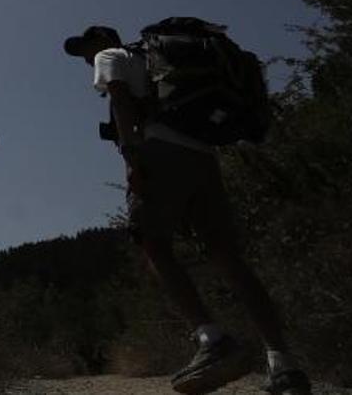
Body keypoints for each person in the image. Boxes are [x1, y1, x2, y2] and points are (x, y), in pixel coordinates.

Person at [64, 25, 311, 395]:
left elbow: (120, 101)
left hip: (159, 153)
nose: (85, 57)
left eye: (86, 47)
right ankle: (284, 365)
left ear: (103, 39)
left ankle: (212, 340)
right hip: (203, 158)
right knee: (229, 258)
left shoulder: (110, 57)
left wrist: (132, 158)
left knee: (154, 244)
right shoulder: (155, 61)